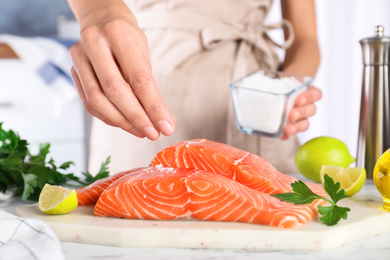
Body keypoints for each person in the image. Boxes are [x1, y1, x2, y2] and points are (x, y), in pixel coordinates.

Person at [66, 0, 322, 174]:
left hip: (257, 113)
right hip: (145, 87)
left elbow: (305, 38)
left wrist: (287, 93)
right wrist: (97, 12)